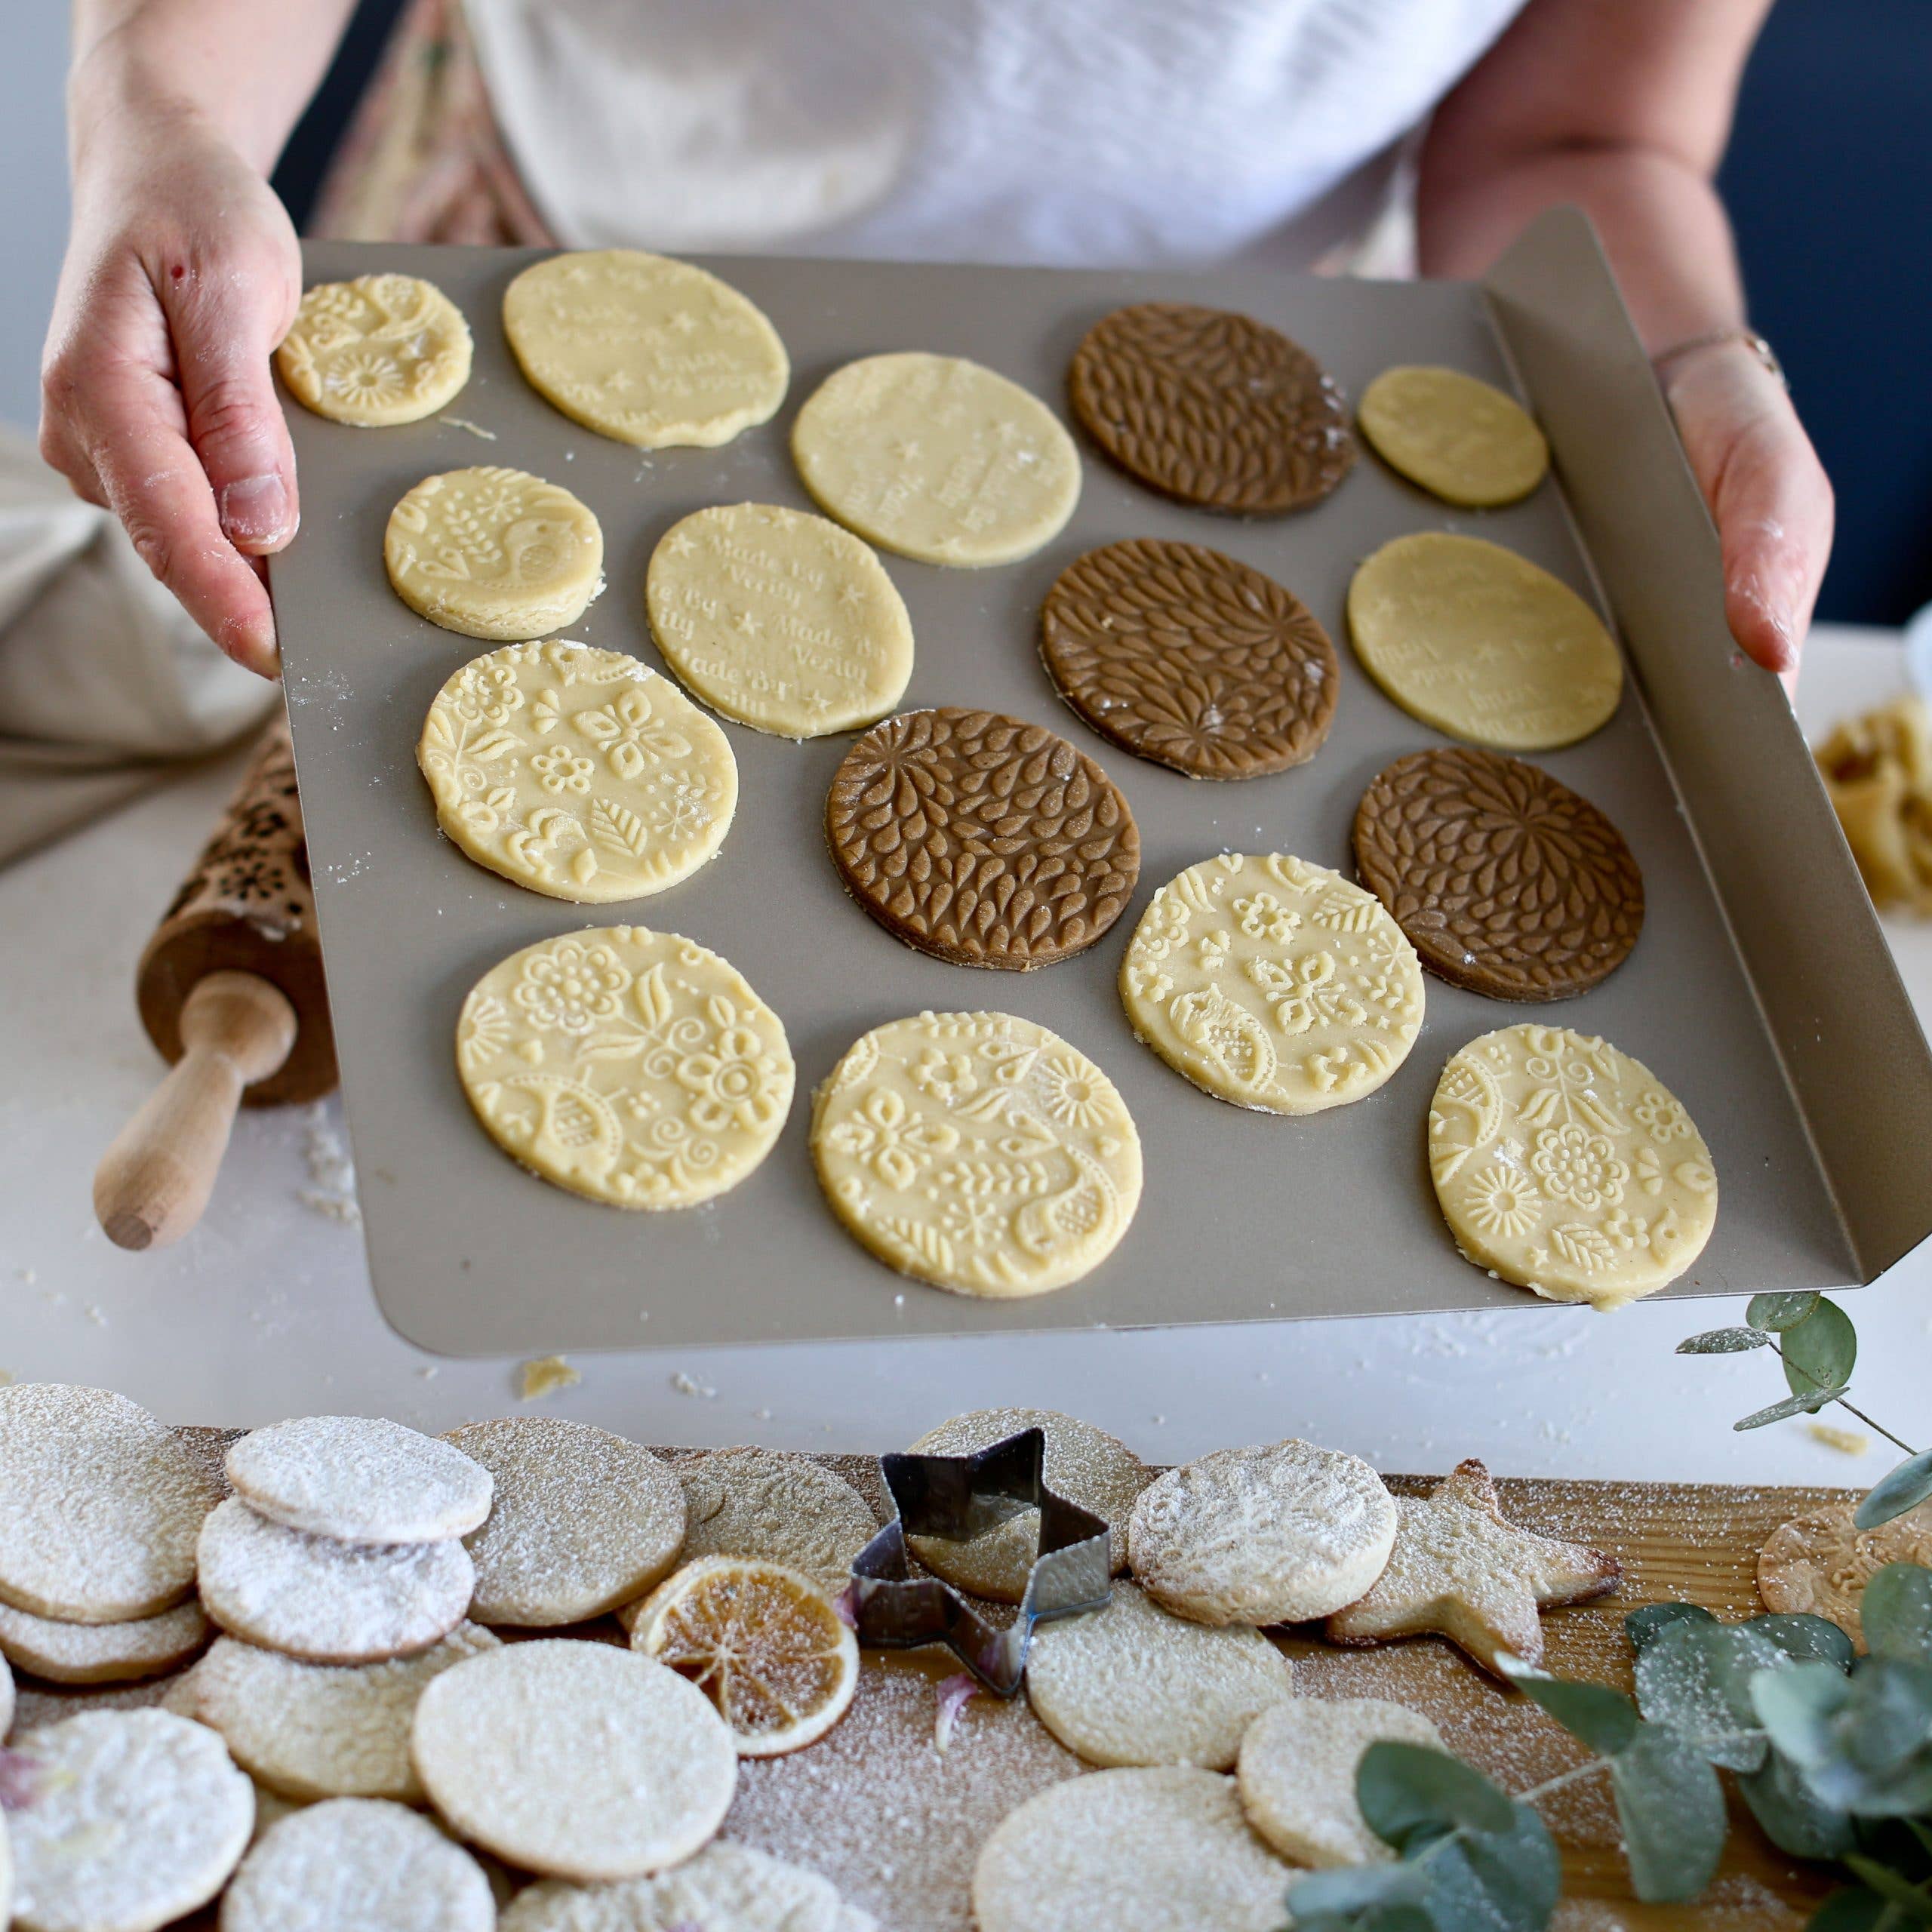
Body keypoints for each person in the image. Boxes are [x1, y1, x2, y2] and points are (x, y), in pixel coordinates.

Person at [40, 0, 1830, 685]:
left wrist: (1667, 367)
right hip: (541, 276)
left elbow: (1573, 131)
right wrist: (162, 105)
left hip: (1225, 425)